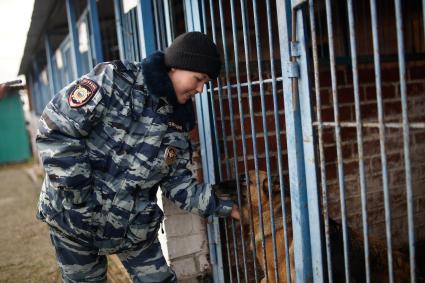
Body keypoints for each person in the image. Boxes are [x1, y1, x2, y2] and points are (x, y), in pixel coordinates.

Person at [36, 31, 240, 283]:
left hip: (131, 229)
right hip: (73, 221)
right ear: (176, 66)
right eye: (198, 79)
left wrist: (224, 207)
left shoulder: (178, 125)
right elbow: (56, 130)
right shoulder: (114, 81)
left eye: (205, 83)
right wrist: (81, 201)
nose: (200, 89)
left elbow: (179, 186)